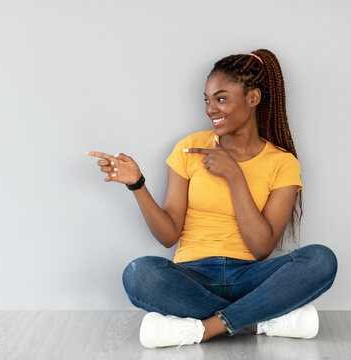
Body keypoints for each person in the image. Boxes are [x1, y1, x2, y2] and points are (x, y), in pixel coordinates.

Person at [86, 49, 338, 349]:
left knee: (321, 260)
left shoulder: (282, 163)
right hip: (193, 277)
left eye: (221, 98)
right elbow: (168, 236)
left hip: (251, 276)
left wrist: (234, 176)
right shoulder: (188, 148)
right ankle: (256, 320)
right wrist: (137, 185)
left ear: (253, 98)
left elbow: (261, 248)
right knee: (140, 273)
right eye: (207, 100)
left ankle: (204, 329)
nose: (210, 109)